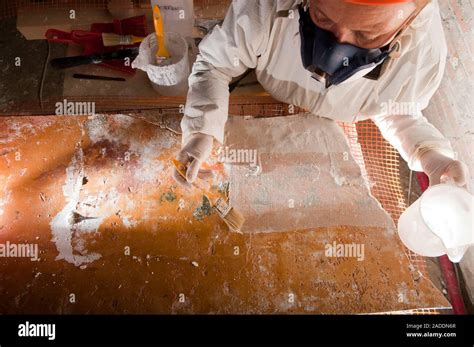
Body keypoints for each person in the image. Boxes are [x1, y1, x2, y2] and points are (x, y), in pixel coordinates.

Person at [172, 0, 469, 191]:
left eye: (366, 35)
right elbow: (215, 64)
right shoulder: (265, 8)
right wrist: (201, 130)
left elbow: (396, 109)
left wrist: (430, 156)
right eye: (322, 18)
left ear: (409, 21)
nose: (334, 50)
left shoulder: (422, 49)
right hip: (264, 91)